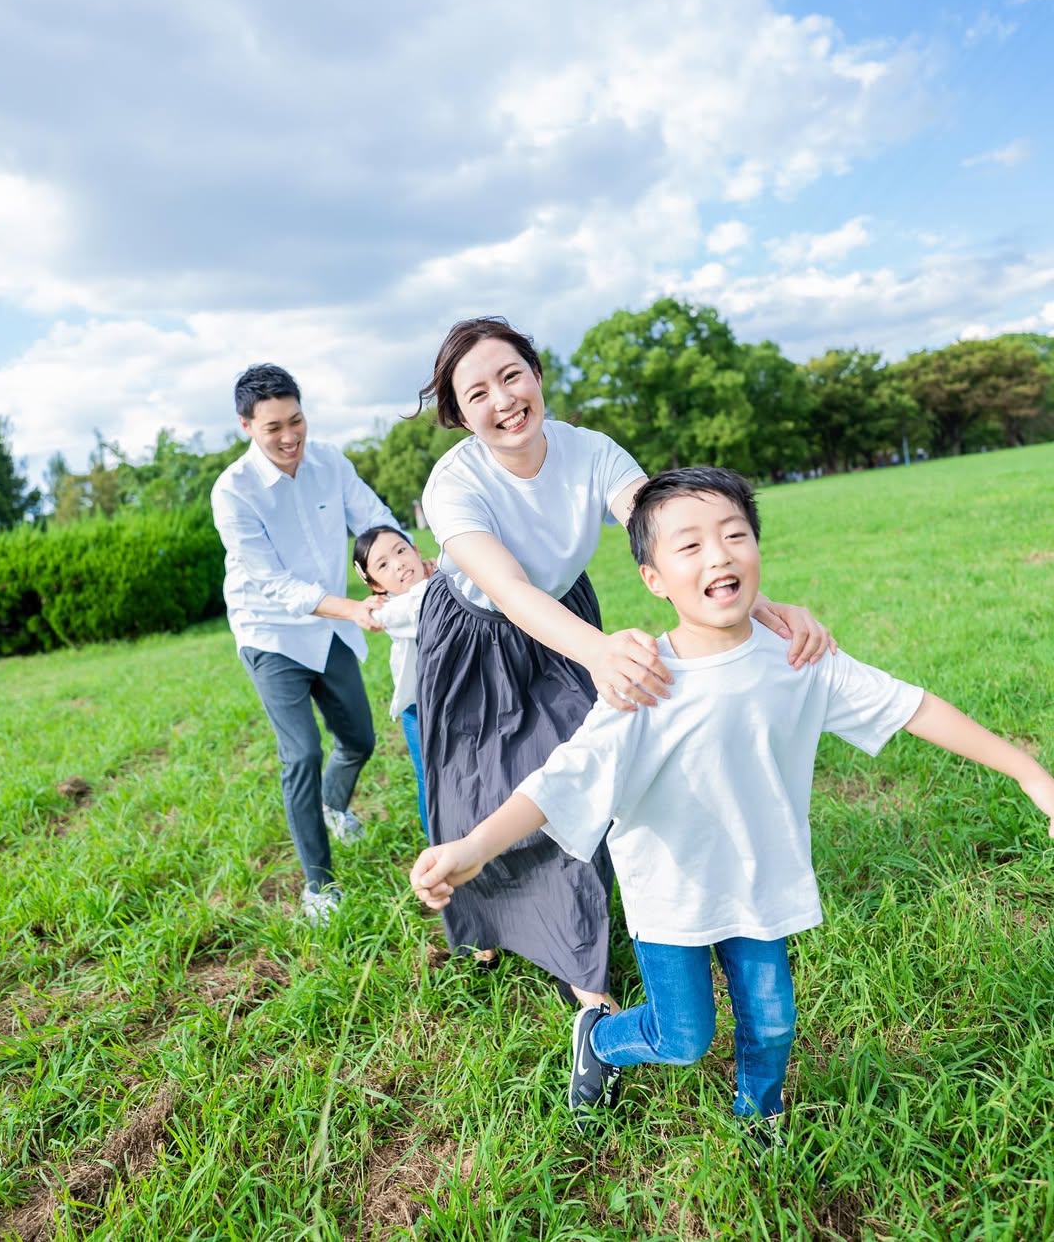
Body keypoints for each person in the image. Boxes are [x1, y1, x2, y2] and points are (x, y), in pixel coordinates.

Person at [410, 466, 1054, 1133]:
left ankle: (759, 1112)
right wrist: (476, 845)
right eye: (689, 546)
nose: (718, 554)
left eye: (735, 534)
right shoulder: (645, 684)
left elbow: (912, 706)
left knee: (773, 1022)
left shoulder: (799, 658)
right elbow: (562, 778)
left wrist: (1029, 774)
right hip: (672, 894)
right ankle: (599, 1041)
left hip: (762, 884)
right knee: (683, 1038)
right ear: (654, 578)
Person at [414, 319, 832, 1010]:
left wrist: (757, 604)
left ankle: (585, 977)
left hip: (565, 617)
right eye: (478, 392)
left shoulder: (589, 451)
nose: (504, 399)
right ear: (459, 414)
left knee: (583, 771)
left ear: (538, 375)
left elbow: (666, 524)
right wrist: (602, 650)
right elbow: (510, 589)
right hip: (473, 634)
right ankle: (486, 924)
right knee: (471, 791)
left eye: (512, 375)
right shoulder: (452, 484)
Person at [211, 363, 401, 926]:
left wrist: (406, 564)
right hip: (269, 632)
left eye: (297, 421)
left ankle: (333, 805)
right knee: (302, 753)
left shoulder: (329, 463)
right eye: (274, 428)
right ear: (246, 426)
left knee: (360, 740)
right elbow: (272, 582)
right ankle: (319, 887)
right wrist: (355, 608)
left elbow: (373, 518)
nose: (290, 436)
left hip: (328, 627)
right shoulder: (233, 492)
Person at [352, 525, 432, 835]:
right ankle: (436, 844)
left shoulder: (439, 581)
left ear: (415, 550)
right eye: (383, 565)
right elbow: (425, 603)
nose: (398, 564)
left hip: (460, 698)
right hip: (420, 710)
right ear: (374, 585)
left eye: (400, 551)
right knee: (429, 779)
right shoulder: (391, 612)